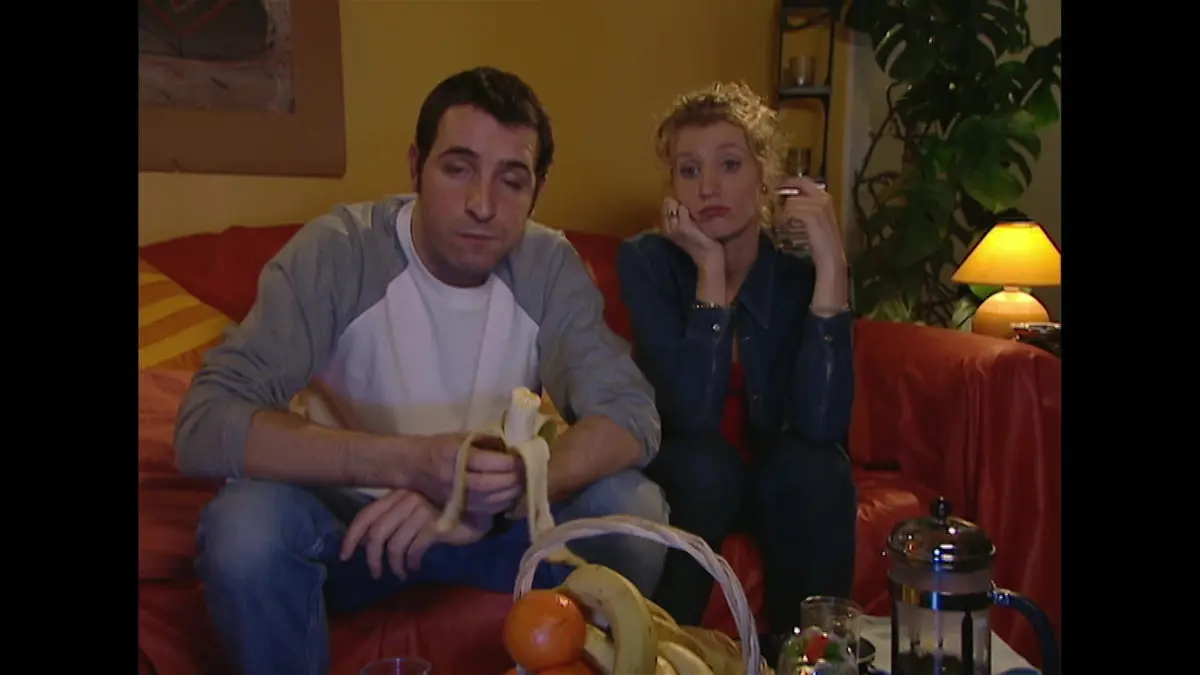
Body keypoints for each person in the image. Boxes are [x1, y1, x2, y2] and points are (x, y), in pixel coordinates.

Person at [174, 66, 668, 675]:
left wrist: (504, 489)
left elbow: (631, 416)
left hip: (493, 526)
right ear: (415, 167)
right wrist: (412, 465)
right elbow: (205, 424)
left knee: (633, 508)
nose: (482, 205)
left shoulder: (547, 265)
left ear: (537, 189)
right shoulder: (340, 251)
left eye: (512, 181)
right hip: (358, 529)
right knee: (245, 528)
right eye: (457, 169)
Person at [615, 82, 857, 644]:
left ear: (764, 176)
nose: (709, 188)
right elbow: (692, 417)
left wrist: (832, 268)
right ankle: (669, 654)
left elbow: (822, 425)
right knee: (708, 465)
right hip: (689, 472)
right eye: (689, 170)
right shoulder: (647, 261)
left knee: (819, 469)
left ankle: (811, 657)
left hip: (772, 476)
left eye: (729, 164)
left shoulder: (794, 272)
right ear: (673, 187)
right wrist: (710, 271)